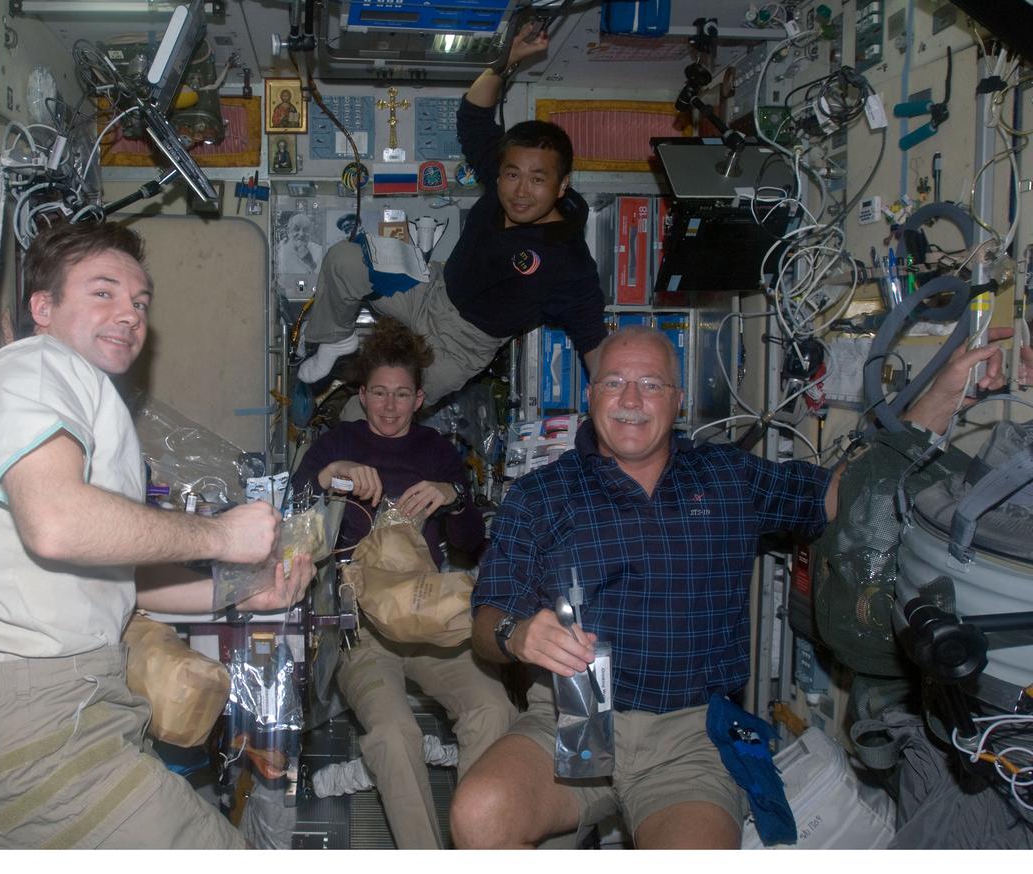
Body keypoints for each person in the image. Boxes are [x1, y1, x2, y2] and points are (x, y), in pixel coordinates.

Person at [450, 324, 1013, 850]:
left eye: (651, 385)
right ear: (592, 395)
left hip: (689, 738)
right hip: (575, 717)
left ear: (677, 401)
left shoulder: (727, 476)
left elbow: (841, 495)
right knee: (479, 815)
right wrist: (517, 634)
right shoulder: (541, 495)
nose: (631, 399)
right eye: (614, 382)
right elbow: (485, 621)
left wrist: (940, 398)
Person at [0, 221, 314, 849]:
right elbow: (57, 523)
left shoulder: (76, 395)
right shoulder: (38, 365)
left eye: (140, 302)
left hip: (63, 709)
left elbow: (120, 582)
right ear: (42, 308)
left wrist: (241, 591)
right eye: (103, 293)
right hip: (35, 723)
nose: (130, 314)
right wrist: (219, 536)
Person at [291, 319, 516, 848]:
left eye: (401, 395)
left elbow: (470, 542)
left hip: (427, 617)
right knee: (394, 735)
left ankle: (479, 844)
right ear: (361, 395)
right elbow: (290, 519)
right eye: (378, 393)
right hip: (362, 629)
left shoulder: (436, 451)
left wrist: (454, 496)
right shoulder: (337, 444)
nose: (389, 407)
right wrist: (328, 475)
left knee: (494, 709)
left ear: (418, 400)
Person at [296, 22, 606, 405]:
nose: (521, 191)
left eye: (538, 179)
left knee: (379, 413)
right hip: (430, 289)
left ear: (562, 186)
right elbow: (473, 114)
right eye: (513, 175)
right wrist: (506, 59)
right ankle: (335, 340)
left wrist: (613, 395)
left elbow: (593, 338)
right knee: (345, 260)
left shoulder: (569, 262)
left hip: (463, 346)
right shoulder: (500, 182)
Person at [277, 211, 325, 276]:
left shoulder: (319, 251)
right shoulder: (280, 253)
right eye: (296, 229)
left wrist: (311, 264)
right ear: (288, 231)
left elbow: (321, 278)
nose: (301, 234)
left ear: (310, 232)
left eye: (305, 230)